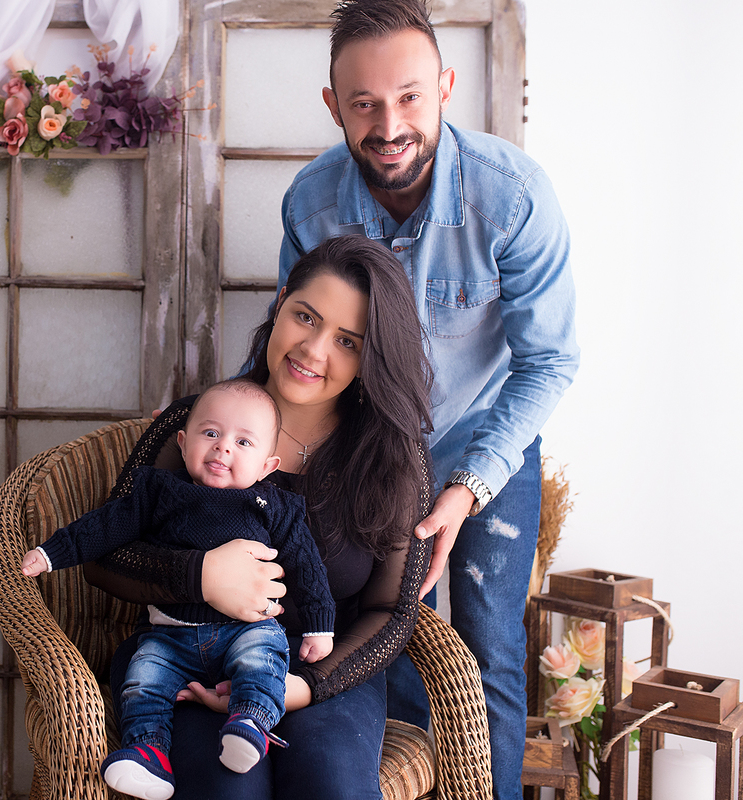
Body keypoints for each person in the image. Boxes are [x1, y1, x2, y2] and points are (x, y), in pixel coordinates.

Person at [276, 2, 580, 797]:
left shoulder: (513, 196)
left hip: (487, 443)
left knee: (486, 652)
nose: (389, 124)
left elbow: (550, 361)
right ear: (333, 105)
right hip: (368, 453)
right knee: (391, 641)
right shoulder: (310, 205)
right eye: (365, 103)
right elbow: (302, 354)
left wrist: (468, 485)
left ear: (445, 87)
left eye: (409, 96)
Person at [84, 234, 435, 800]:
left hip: (324, 674)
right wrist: (199, 576)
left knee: (330, 784)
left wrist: (302, 687)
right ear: (279, 307)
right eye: (305, 316)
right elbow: (102, 554)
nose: (314, 350)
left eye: (348, 340)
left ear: (371, 357)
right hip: (195, 656)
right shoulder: (200, 426)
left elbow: (390, 612)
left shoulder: (393, 457)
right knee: (232, 788)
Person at [23, 379, 335, 800]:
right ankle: (149, 753)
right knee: (143, 679)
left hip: (246, 628)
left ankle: (251, 722)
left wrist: (320, 625)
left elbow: (307, 566)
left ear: (267, 465)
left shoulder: (275, 505)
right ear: (184, 443)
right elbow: (105, 526)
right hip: (170, 633)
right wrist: (51, 552)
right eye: (211, 433)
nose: (223, 448)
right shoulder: (160, 492)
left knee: (263, 660)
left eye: (244, 442)